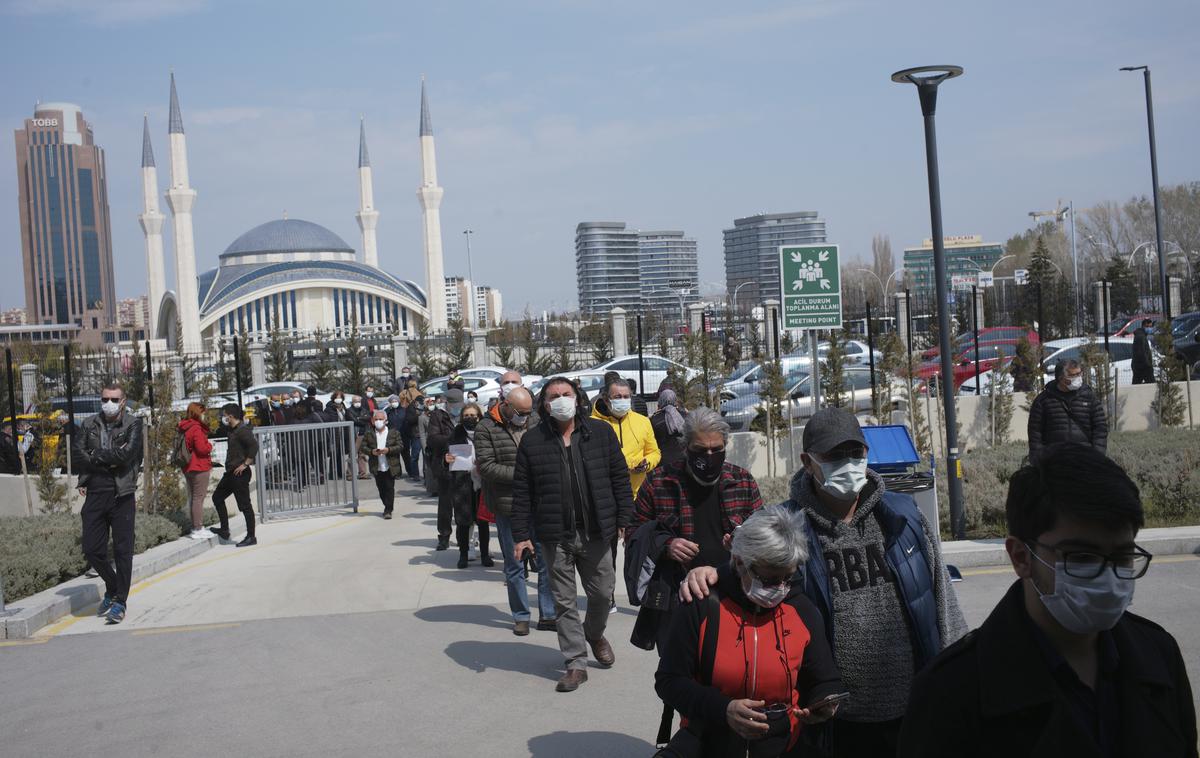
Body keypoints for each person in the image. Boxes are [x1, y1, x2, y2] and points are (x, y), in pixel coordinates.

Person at [682, 406, 968, 756]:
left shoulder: (903, 517)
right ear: (808, 461)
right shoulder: (790, 528)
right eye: (834, 455)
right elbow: (750, 575)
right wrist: (711, 573)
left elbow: (942, 602)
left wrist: (958, 680)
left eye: (855, 452)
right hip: (832, 721)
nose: (848, 463)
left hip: (913, 711)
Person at [899, 443, 1198, 758]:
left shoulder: (1159, 655)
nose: (1107, 576)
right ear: (1020, 557)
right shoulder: (948, 692)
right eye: (1082, 557)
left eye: (1122, 557)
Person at [656, 505, 844, 757]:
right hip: (709, 743)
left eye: (787, 578)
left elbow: (824, 678)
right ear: (739, 561)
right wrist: (724, 709)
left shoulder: (802, 610)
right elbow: (669, 681)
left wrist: (825, 700)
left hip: (785, 745)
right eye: (768, 579)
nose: (779, 588)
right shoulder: (701, 604)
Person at [511, 376, 634, 692]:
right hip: (555, 535)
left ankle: (593, 633)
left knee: (602, 592)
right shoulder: (533, 441)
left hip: (595, 531)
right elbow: (522, 491)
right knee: (564, 602)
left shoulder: (601, 432)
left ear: (578, 399)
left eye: (567, 394)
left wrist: (624, 517)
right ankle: (575, 663)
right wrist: (522, 534)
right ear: (545, 403)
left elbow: (619, 476)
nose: (561, 400)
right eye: (554, 396)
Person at [633, 407, 762, 649]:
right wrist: (666, 545)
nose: (709, 456)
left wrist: (743, 543)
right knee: (677, 673)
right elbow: (634, 531)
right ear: (685, 448)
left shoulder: (742, 481)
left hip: (732, 592)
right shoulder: (659, 482)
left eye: (717, 450)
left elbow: (765, 538)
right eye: (700, 450)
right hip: (677, 596)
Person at [476, 384, 556, 635]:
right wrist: (524, 474)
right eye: (520, 412)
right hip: (508, 505)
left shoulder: (535, 420)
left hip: (540, 503)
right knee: (514, 564)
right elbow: (487, 467)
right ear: (506, 406)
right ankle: (521, 616)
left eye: (528, 412)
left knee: (546, 562)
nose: (525, 417)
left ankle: (548, 614)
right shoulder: (486, 428)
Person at [74, 383, 144, 624]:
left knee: (123, 551)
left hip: (121, 494)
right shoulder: (89, 424)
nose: (109, 403)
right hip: (95, 493)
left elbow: (129, 455)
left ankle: (120, 601)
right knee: (92, 549)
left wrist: (97, 457)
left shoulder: (133, 423)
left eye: (114, 399)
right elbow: (79, 453)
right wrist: (108, 458)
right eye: (105, 398)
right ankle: (113, 586)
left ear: (123, 401)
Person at [592, 376, 661, 497]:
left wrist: (646, 464)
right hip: (607, 495)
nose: (622, 400)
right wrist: (627, 465)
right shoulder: (592, 424)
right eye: (617, 397)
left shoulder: (643, 421)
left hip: (639, 494)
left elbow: (654, 452)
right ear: (606, 399)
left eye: (626, 397)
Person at [1028, 359, 1108, 462]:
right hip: (1055, 459)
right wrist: (1038, 457)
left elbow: (1100, 427)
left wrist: (1098, 455)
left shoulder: (1089, 397)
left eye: (1079, 373)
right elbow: (1035, 431)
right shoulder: (1043, 400)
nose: (1078, 378)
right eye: (1073, 375)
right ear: (1061, 379)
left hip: (1085, 458)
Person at [445, 402, 492, 569]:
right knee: (463, 522)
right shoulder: (455, 434)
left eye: (473, 415)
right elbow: (446, 455)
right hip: (461, 483)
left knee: (483, 521)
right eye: (466, 416)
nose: (470, 418)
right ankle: (463, 554)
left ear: (479, 416)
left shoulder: (486, 432)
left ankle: (485, 554)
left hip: (482, 483)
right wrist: (447, 459)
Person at [210, 403, 259, 547]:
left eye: (224, 415)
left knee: (244, 505)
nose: (222, 418)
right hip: (230, 473)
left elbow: (254, 446)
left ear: (230, 416)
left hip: (240, 474)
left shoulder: (242, 430)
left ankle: (251, 537)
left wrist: (245, 464)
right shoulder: (232, 429)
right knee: (217, 497)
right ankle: (224, 529)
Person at [427, 388, 461, 550]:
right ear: (446, 402)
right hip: (445, 464)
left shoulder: (467, 413)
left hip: (464, 465)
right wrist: (452, 439)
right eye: (453, 404)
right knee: (446, 504)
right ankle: (444, 536)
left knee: (464, 504)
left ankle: (464, 536)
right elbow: (433, 439)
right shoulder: (437, 416)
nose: (456, 407)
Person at [178, 402, 214, 540]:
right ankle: (197, 528)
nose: (205, 415)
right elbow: (201, 449)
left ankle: (196, 527)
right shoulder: (196, 428)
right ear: (198, 413)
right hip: (199, 466)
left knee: (194, 497)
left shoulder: (184, 426)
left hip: (188, 466)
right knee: (198, 498)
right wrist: (210, 445)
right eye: (203, 412)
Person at [360, 409, 402, 519]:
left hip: (390, 465)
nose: (378, 421)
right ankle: (386, 504)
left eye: (380, 419)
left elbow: (400, 446)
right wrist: (371, 452)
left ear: (386, 420)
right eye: (376, 419)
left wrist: (389, 449)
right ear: (373, 421)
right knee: (381, 489)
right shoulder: (369, 433)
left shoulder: (393, 432)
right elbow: (363, 447)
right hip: (376, 466)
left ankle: (388, 509)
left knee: (389, 487)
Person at [650, 388, 688, 467]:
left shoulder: (654, 420)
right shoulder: (686, 416)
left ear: (660, 401)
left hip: (663, 461)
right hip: (684, 459)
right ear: (675, 400)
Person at [401, 385, 425, 481]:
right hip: (416, 435)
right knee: (414, 456)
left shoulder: (425, 407)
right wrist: (419, 416)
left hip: (425, 434)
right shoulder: (411, 408)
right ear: (415, 402)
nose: (420, 404)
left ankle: (426, 475)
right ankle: (415, 474)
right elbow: (409, 420)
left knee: (426, 456)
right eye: (419, 402)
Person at [1131, 318, 1155, 385]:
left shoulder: (1141, 336)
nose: (1150, 329)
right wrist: (1148, 365)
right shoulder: (1140, 337)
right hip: (1143, 367)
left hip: (1139, 366)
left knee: (1136, 385)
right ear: (1144, 326)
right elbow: (1141, 353)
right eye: (1149, 327)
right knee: (1152, 385)